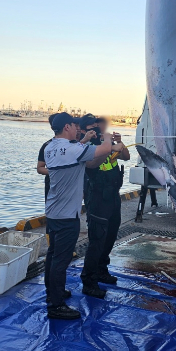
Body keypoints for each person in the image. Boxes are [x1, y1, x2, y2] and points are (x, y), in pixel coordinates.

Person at [43, 112, 119, 320]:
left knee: (53, 255)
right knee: (61, 259)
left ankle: (53, 293)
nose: (78, 129)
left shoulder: (51, 147)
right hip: (67, 215)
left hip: (54, 211)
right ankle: (56, 305)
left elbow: (91, 162)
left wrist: (99, 146)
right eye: (74, 126)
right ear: (67, 127)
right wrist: (107, 137)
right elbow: (103, 148)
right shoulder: (72, 148)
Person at [80, 114, 130, 298]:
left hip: (113, 197)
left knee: (110, 236)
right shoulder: (85, 146)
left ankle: (102, 270)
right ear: (84, 130)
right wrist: (108, 148)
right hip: (98, 198)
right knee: (97, 241)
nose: (98, 131)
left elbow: (126, 156)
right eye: (93, 128)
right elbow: (92, 165)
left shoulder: (105, 143)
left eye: (99, 127)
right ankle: (89, 281)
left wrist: (119, 143)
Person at [36, 114, 58, 203]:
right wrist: (57, 172)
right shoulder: (47, 145)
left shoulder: (74, 145)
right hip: (52, 183)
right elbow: (40, 168)